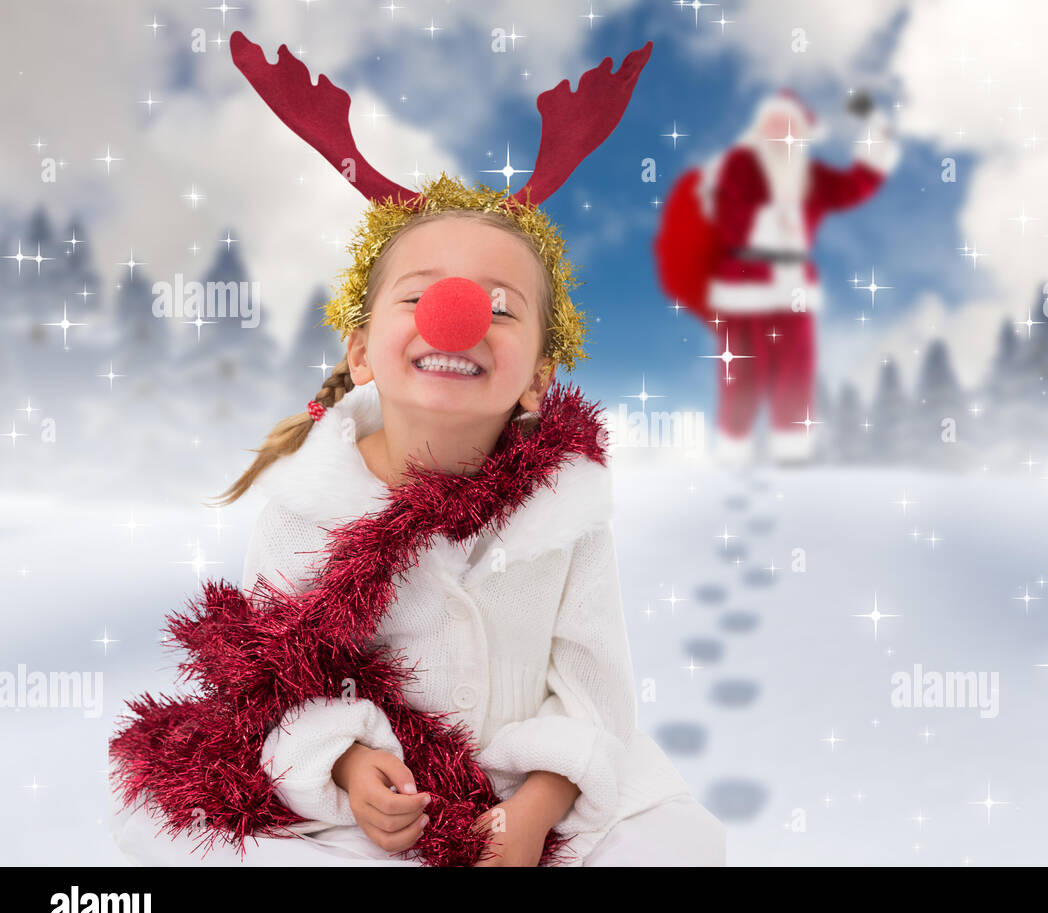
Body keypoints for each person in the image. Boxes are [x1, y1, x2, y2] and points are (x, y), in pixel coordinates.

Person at [109, 32, 724, 868]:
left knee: (681, 847)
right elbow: (280, 687)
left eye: (499, 308)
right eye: (421, 296)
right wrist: (353, 766)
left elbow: (594, 689)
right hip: (359, 814)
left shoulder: (571, 510)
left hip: (532, 797)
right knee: (178, 844)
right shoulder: (304, 508)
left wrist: (533, 815)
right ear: (362, 352)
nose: (457, 317)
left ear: (539, 378)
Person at [699, 88, 899, 467]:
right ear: (760, 127)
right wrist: (774, 222)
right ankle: (732, 456)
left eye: (789, 125)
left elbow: (856, 185)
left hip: (793, 287)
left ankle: (792, 456)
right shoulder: (738, 164)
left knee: (795, 370)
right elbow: (728, 218)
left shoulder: (810, 175)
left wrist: (875, 129)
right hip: (743, 282)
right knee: (741, 372)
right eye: (774, 123)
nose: (781, 132)